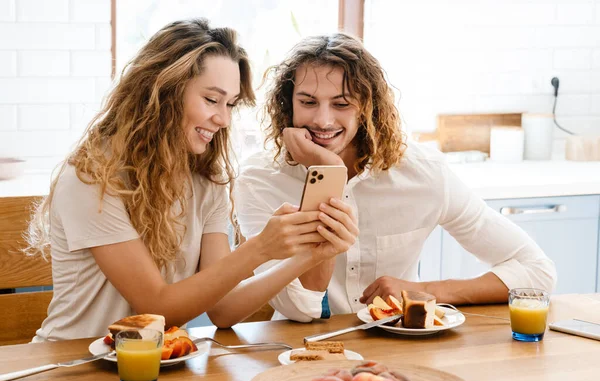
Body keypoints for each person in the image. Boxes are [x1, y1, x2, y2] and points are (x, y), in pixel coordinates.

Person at [26, 19, 358, 341]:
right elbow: (156, 307)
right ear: (163, 91)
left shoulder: (206, 179)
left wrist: (310, 253)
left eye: (230, 104)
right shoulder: (93, 177)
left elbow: (223, 310)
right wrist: (260, 248)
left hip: (156, 370)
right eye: (211, 100)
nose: (223, 118)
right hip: (71, 369)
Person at [234, 33, 556, 322]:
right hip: (296, 354)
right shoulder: (260, 179)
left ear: (367, 107)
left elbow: (537, 272)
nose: (323, 119)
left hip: (400, 352)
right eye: (308, 102)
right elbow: (302, 309)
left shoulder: (423, 173)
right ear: (287, 104)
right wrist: (329, 170)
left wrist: (424, 290)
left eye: (342, 103)